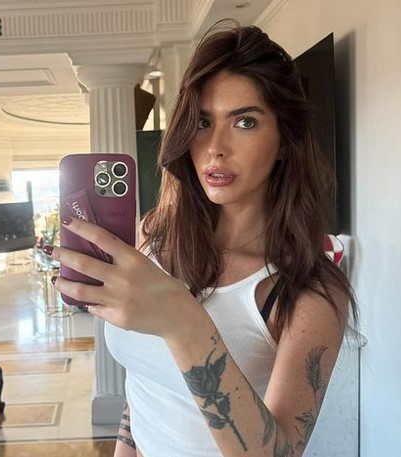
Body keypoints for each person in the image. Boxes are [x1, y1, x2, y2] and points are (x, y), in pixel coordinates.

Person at [45, 20, 357, 457]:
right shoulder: (154, 235)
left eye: (245, 121)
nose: (215, 148)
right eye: (203, 122)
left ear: (285, 140)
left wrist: (184, 323)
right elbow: (144, 384)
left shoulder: (308, 293)